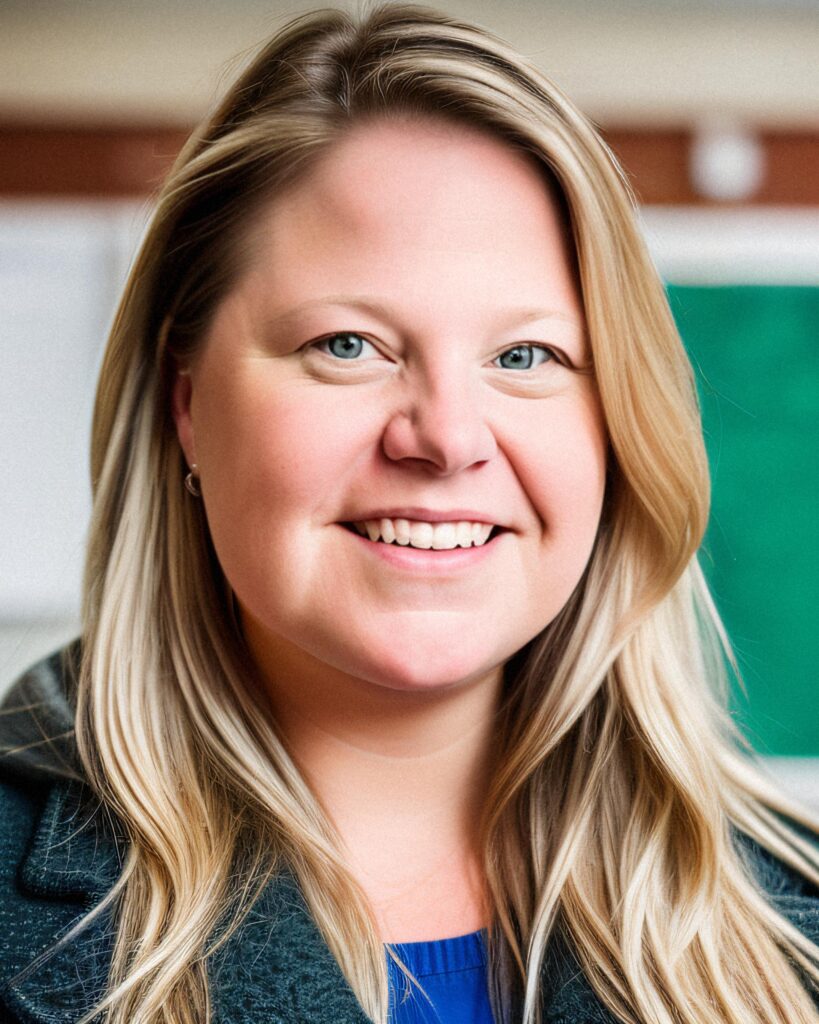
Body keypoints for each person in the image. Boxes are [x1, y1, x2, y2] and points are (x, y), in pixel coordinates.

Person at [1, 4, 818, 1023]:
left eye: (526, 358)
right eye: (349, 344)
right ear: (186, 404)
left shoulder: (793, 922)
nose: (445, 437)